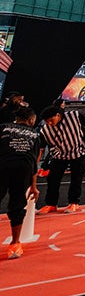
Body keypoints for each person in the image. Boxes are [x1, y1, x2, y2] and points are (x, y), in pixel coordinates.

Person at [37, 105, 85, 213]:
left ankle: (74, 202)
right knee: (53, 179)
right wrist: (36, 164)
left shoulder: (74, 115)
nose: (49, 123)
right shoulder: (45, 130)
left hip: (78, 151)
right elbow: (41, 148)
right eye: (47, 121)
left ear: (58, 115)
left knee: (76, 178)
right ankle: (51, 204)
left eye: (51, 120)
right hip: (59, 155)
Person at [0, 104, 40, 258]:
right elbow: (34, 162)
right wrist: (34, 186)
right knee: (17, 205)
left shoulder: (3, 127)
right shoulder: (34, 134)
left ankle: (16, 243)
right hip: (24, 167)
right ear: (31, 120)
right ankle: (15, 244)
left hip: (3, 165)